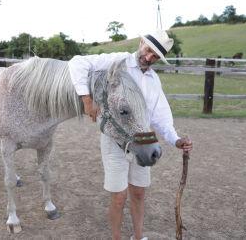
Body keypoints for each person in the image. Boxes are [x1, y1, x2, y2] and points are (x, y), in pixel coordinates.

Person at [68, 29, 193, 240]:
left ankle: (138, 237)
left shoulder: (154, 80)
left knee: (139, 194)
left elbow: (161, 116)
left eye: (155, 56)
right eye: (148, 50)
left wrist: (176, 140)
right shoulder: (119, 62)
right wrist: (86, 100)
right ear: (141, 42)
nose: (148, 57)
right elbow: (77, 63)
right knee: (119, 198)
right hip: (115, 141)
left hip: (143, 140)